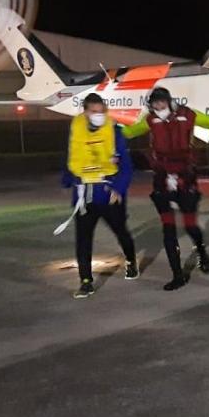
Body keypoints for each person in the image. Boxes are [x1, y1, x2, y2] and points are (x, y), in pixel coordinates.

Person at [124, 87, 209, 290]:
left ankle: (202, 253)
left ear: (169, 100)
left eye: (162, 101)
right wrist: (109, 132)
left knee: (190, 224)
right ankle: (177, 274)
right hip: (162, 178)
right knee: (168, 228)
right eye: (156, 103)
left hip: (186, 176)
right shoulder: (149, 120)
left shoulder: (188, 114)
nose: (159, 106)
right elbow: (130, 132)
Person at [64, 93, 138, 299]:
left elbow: (126, 165)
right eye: (93, 112)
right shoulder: (76, 131)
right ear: (86, 112)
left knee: (121, 231)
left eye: (101, 111)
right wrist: (69, 179)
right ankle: (85, 281)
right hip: (85, 195)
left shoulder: (115, 132)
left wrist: (119, 189)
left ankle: (131, 260)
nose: (98, 115)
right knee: (83, 239)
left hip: (108, 193)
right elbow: (72, 157)